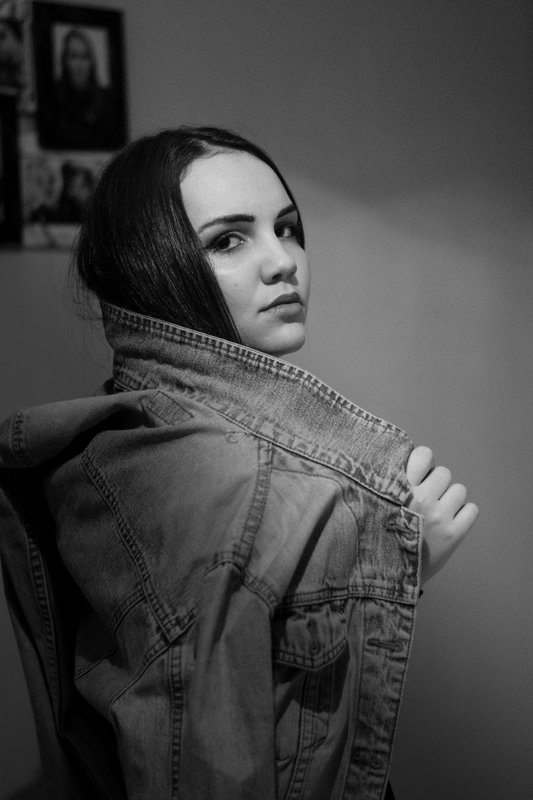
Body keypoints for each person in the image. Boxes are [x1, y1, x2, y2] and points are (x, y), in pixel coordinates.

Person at [0, 126, 478, 800]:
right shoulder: (219, 484)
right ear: (149, 268)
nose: (283, 262)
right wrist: (392, 558)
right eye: (228, 240)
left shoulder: (125, 441)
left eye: (286, 228)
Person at [42, 27, 121, 149]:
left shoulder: (105, 98)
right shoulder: (53, 96)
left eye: (85, 57)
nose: (79, 65)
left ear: (91, 62)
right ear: (64, 60)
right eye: (74, 56)